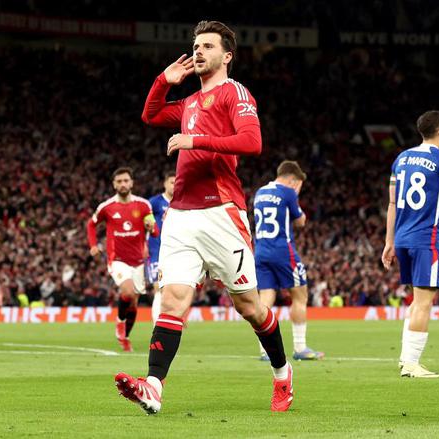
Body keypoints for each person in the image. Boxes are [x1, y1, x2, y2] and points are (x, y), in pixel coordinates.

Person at [115, 20, 293, 414]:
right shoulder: (189, 103)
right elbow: (150, 115)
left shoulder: (234, 92)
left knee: (250, 308)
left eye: (207, 46)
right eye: (195, 45)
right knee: (173, 300)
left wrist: (194, 140)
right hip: (181, 214)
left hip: (221, 213)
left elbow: (252, 142)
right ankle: (153, 387)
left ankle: (282, 373)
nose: (198, 51)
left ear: (227, 56)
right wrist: (163, 81)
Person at [382, 111, 439, 378]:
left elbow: (392, 203)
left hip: (402, 238)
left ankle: (405, 360)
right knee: (424, 302)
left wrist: (389, 241)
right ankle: (412, 364)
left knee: (417, 300)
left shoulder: (401, 159)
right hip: (426, 240)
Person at [254, 160, 324, 361]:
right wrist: (296, 197)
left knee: (265, 299)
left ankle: (265, 350)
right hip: (283, 251)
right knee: (300, 296)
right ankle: (300, 347)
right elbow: (300, 221)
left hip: (260, 251)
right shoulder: (288, 193)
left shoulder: (260, 192)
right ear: (293, 180)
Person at [87, 167, 158, 352]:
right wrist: (93, 245)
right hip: (117, 259)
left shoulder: (144, 205)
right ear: (114, 185)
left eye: (126, 180)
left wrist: (152, 228)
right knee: (127, 291)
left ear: (132, 183)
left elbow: (155, 231)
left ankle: (125, 337)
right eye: (119, 181)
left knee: (133, 304)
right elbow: (91, 225)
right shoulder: (107, 207)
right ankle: (119, 321)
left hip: (139, 261)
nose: (123, 184)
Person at [147, 171, 175, 323]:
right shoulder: (155, 202)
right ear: (165, 184)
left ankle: (170, 320)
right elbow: (144, 222)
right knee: (159, 287)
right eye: (172, 182)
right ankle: (156, 325)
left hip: (175, 251)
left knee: (172, 289)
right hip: (156, 251)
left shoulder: (181, 202)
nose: (174, 186)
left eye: (177, 183)